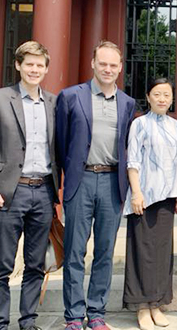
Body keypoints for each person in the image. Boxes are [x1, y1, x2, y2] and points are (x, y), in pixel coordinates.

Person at [0, 41, 60, 330]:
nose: (34, 69)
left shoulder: (53, 103)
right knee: (3, 264)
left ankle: (28, 321)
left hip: (43, 191)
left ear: (46, 69)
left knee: (35, 263)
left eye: (40, 65)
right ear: (18, 65)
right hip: (9, 192)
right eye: (29, 64)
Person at [56, 40, 137, 330]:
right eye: (102, 63)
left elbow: (127, 145)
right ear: (93, 63)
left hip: (112, 183)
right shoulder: (70, 96)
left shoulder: (127, 103)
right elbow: (61, 143)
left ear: (120, 67)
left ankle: (97, 313)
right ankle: (74, 316)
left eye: (113, 65)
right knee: (75, 251)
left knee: (104, 252)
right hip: (81, 180)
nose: (107, 69)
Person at [122, 78, 177, 330]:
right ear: (148, 97)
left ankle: (157, 303)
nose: (162, 99)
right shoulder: (139, 124)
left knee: (161, 253)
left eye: (166, 94)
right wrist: (136, 193)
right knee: (142, 252)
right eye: (156, 94)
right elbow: (133, 161)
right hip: (144, 197)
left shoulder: (176, 126)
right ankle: (142, 306)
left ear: (172, 98)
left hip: (166, 198)